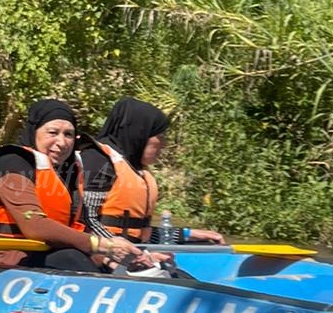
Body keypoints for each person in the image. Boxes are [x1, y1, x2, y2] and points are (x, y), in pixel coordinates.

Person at [0, 98, 153, 272]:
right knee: (70, 258)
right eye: (52, 132)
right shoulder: (11, 163)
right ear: (34, 132)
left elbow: (79, 230)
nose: (61, 142)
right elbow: (34, 226)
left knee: (87, 260)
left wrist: (120, 258)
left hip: (38, 257)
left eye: (68, 135)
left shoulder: (68, 173)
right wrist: (104, 245)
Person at [78, 96, 225, 245]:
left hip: (132, 250)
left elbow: (137, 232)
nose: (164, 144)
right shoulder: (98, 160)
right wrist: (118, 249)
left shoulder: (134, 167)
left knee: (204, 243)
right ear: (139, 133)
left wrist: (186, 234)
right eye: (160, 136)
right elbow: (86, 223)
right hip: (103, 254)